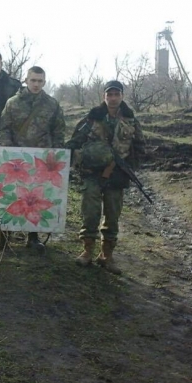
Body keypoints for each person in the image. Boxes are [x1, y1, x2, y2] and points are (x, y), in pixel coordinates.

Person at [65, 80, 145, 274]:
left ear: (122, 96)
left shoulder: (131, 119)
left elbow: (140, 146)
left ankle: (106, 256)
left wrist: (128, 166)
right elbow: (75, 141)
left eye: (117, 94)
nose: (113, 98)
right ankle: (87, 252)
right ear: (104, 96)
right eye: (110, 94)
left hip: (116, 175)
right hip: (92, 174)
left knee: (112, 215)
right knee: (90, 213)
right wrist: (78, 161)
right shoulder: (92, 118)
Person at [0, 66, 65, 251]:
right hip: (16, 161)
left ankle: (32, 238)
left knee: (34, 198)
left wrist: (55, 155)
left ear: (44, 82)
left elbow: (59, 131)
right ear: (26, 80)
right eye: (33, 80)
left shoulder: (52, 104)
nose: (36, 84)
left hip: (41, 162)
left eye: (40, 81)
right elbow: (4, 129)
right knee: (10, 196)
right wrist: (8, 152)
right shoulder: (12, 103)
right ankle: (3, 238)